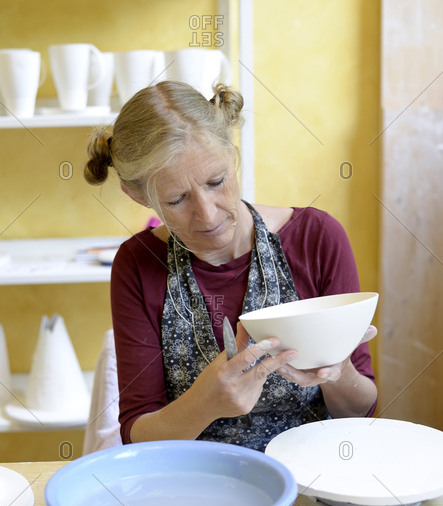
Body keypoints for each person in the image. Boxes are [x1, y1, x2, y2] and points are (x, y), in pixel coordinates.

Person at [84, 81, 377, 452]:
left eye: (216, 181)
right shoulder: (137, 265)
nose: (207, 214)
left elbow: (360, 410)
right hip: (199, 486)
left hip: (310, 478)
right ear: (138, 196)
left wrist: (336, 372)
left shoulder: (317, 238)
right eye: (176, 199)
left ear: (232, 155)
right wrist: (203, 405)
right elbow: (137, 434)